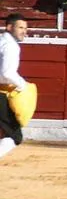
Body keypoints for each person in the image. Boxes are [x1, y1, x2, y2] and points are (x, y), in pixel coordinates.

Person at [0, 13, 29, 158]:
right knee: (14, 135)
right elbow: (7, 73)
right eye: (20, 27)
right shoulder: (11, 45)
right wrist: (22, 85)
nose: (24, 31)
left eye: (25, 28)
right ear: (9, 27)